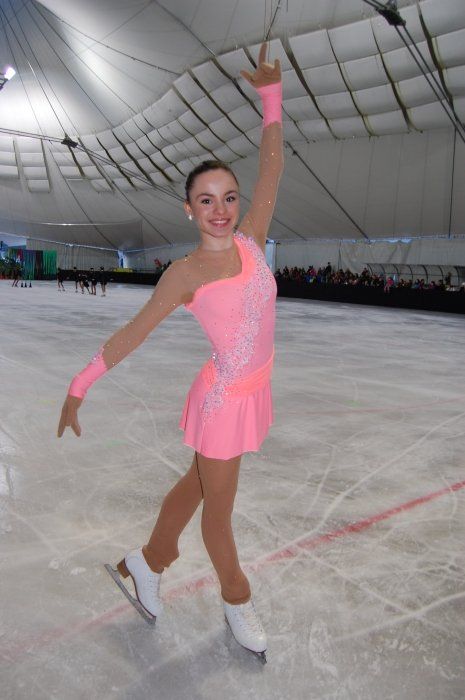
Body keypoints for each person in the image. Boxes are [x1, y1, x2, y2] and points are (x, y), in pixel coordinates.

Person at [57, 43, 283, 663]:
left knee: (198, 486)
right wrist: (80, 383)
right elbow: (134, 332)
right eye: (206, 200)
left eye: (228, 197)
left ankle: (148, 561)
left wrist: (271, 97)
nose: (220, 210)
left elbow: (272, 169)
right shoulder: (184, 275)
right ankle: (237, 597)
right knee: (219, 511)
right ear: (189, 209)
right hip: (222, 403)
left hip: (251, 388)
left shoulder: (254, 241)